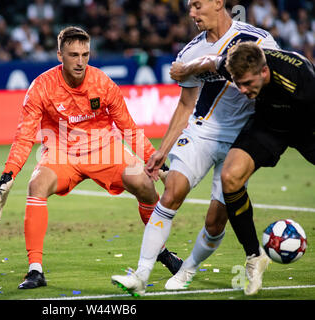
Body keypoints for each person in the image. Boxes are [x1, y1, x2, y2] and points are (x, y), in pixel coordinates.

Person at [0, 26, 180, 290]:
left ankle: (161, 251)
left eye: (85, 54)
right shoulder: (41, 88)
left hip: (104, 148)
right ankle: (35, 270)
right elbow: (24, 135)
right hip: (61, 152)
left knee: (145, 186)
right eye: (73, 55)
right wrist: (8, 174)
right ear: (60, 55)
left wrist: (157, 165)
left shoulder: (102, 83)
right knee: (37, 185)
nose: (80, 61)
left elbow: (128, 128)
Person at [111, 0, 278, 297]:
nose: (191, 13)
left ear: (218, 3)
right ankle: (141, 274)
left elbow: (273, 83)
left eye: (197, 5)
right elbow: (186, 105)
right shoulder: (190, 52)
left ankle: (188, 268)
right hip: (202, 131)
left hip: (242, 142)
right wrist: (163, 149)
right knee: (172, 192)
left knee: (215, 222)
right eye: (189, 7)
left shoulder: (259, 40)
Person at [218, 42, 314, 295]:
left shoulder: (303, 82)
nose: (242, 90)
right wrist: (184, 68)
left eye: (247, 84)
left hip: (307, 126)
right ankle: (254, 256)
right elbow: (209, 61)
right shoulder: (238, 66)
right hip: (269, 126)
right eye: (238, 83)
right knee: (229, 177)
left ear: (264, 71)